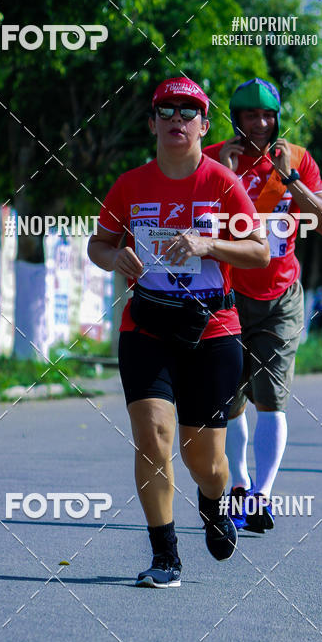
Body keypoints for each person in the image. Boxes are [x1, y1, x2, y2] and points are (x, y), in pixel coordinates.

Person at [88, 77, 269, 587]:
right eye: (166, 111)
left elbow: (260, 251)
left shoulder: (222, 184)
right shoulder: (130, 185)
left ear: (204, 126)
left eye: (188, 112)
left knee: (204, 460)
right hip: (146, 326)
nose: (176, 120)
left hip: (212, 332)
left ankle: (213, 502)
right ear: (152, 123)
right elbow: (98, 245)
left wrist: (208, 245)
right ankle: (165, 555)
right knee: (153, 436)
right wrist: (113, 257)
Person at [204, 78, 322, 532]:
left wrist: (291, 179)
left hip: (281, 295)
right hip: (227, 295)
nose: (259, 124)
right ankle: (240, 487)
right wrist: (223, 173)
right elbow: (196, 224)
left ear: (278, 118)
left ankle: (262, 496)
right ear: (235, 118)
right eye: (250, 115)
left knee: (272, 399)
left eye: (267, 115)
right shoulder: (214, 157)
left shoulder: (297, 158)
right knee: (230, 399)